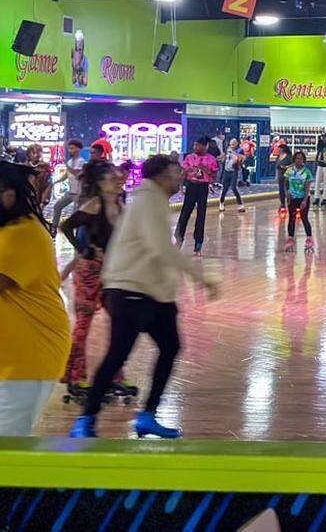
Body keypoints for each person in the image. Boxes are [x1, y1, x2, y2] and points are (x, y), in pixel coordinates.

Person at [69, 155, 219, 439]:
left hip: (148, 292)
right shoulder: (149, 200)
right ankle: (86, 420)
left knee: (170, 346)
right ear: (162, 177)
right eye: (176, 172)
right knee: (118, 353)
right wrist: (202, 277)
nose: (181, 176)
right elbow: (160, 248)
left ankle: (147, 416)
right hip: (131, 291)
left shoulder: (149, 200)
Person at [0, 162, 70, 437]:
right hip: (13, 355)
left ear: (15, 193)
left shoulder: (22, 233)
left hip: (30, 356)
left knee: (6, 449)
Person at [59, 159, 131, 399]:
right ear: (101, 184)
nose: (118, 181)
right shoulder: (94, 204)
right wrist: (85, 250)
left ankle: (113, 375)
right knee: (84, 324)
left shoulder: (119, 205)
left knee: (120, 322)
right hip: (90, 271)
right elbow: (67, 226)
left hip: (111, 271)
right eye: (112, 178)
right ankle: (74, 377)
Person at [175, 137, 218, 254]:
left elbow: (214, 176)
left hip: (202, 188)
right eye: (194, 145)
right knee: (184, 213)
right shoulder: (189, 157)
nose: (195, 147)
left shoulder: (211, 159)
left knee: (201, 215)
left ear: (205, 146)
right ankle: (179, 238)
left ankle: (198, 243)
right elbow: (183, 172)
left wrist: (207, 170)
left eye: (197, 145)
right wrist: (181, 186)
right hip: (191, 186)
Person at [50, 138, 86, 234]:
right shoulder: (70, 162)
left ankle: (78, 236)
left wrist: (67, 165)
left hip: (79, 194)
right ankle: (53, 229)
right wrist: (55, 182)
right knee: (57, 206)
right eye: (69, 148)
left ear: (78, 149)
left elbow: (76, 173)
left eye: (72, 148)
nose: (70, 151)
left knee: (75, 216)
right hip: (71, 192)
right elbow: (66, 175)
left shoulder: (81, 161)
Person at [283, 151, 314, 251]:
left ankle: (309, 238)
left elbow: (307, 187)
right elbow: (286, 183)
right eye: (297, 158)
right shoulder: (289, 171)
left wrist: (305, 200)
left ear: (304, 160)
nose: (298, 160)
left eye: (301, 159)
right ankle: (290, 238)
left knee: (304, 218)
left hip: (303, 198)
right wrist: (287, 194)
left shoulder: (307, 172)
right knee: (291, 218)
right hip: (292, 198)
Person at [218, 138, 246, 213]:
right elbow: (224, 156)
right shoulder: (227, 149)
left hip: (234, 171)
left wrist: (233, 153)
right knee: (224, 188)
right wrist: (220, 158)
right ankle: (221, 203)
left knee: (234, 187)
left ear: (237, 144)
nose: (231, 145)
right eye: (231, 144)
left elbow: (243, 158)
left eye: (233, 144)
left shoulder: (240, 150)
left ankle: (240, 204)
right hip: (227, 171)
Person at [273, 143, 292, 215]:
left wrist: (287, 167)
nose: (278, 150)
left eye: (280, 148)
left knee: (287, 189)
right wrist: (276, 176)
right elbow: (277, 167)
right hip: (280, 176)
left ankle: (290, 203)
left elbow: (293, 165)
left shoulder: (289, 157)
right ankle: (282, 203)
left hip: (287, 176)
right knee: (281, 190)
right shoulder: (278, 157)